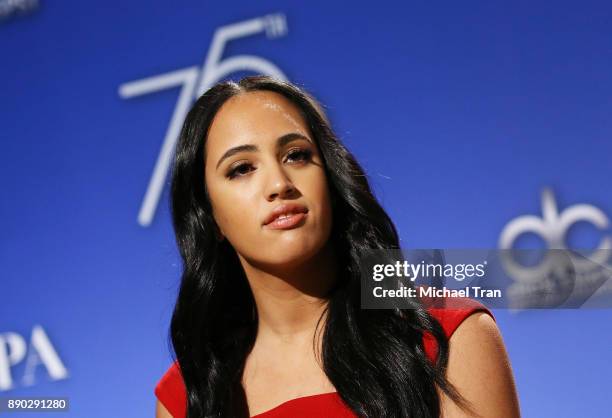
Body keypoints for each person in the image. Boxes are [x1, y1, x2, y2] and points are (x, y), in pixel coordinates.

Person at [154, 75, 520, 417]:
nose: (279, 183)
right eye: (241, 169)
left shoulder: (445, 332)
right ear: (210, 217)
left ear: (330, 176)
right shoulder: (187, 394)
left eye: (296, 155)